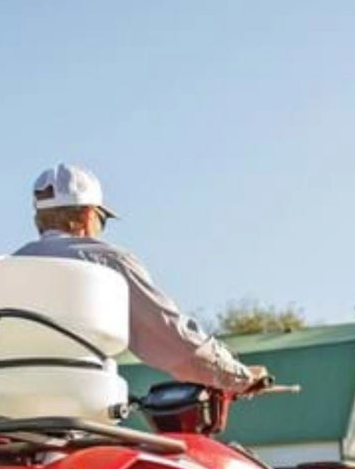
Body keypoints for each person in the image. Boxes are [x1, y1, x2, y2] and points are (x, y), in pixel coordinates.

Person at [14, 163, 268, 393]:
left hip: (2, 412)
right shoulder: (106, 262)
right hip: (74, 404)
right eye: (102, 220)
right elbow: (173, 340)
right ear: (86, 215)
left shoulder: (7, 269)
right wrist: (239, 377)